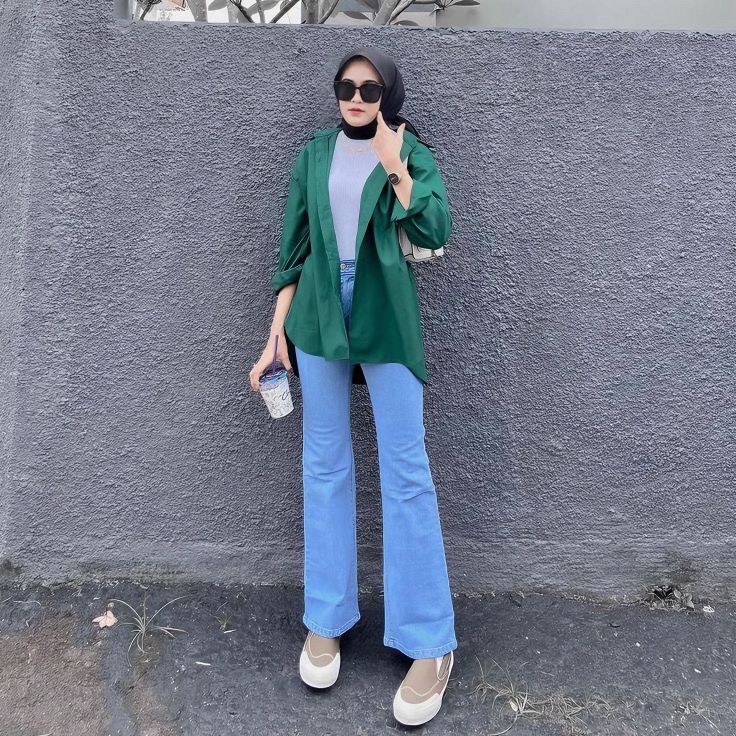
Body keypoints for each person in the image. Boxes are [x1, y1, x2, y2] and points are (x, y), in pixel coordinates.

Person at [249, 45, 456, 727]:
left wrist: (395, 163)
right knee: (324, 466)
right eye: (347, 87)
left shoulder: (409, 151)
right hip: (315, 319)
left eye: (371, 89)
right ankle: (326, 618)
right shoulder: (314, 154)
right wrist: (275, 336)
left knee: (406, 470)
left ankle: (431, 641)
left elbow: (435, 227)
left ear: (388, 94)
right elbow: (294, 252)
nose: (358, 99)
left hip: (385, 318)